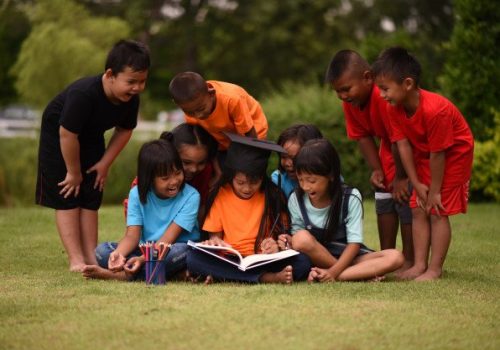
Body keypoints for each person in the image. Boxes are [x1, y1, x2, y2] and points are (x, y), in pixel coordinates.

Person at [35, 39, 150, 272]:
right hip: (60, 138)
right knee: (69, 192)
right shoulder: (84, 94)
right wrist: (73, 172)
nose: (137, 88)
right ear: (110, 75)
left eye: (142, 82)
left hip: (91, 136)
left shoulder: (130, 99)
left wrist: (104, 164)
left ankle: (91, 256)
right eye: (131, 82)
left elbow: (125, 130)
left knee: (91, 193)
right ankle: (76, 259)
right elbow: (67, 134)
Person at [372, 47, 474, 281]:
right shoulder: (393, 108)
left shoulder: (435, 111)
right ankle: (419, 265)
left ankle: (434, 269)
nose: (381, 94)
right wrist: (415, 183)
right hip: (426, 153)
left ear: (407, 83)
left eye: (385, 88)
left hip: (453, 154)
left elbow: (439, 153)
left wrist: (435, 192)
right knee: (418, 206)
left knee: (436, 209)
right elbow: (403, 145)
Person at [325, 50, 413, 272]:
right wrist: (377, 169)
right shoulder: (351, 103)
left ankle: (410, 259)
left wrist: (401, 177)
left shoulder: (383, 98)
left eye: (346, 89)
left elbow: (399, 140)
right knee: (383, 198)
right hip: (388, 149)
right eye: (338, 92)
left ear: (367, 78)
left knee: (404, 201)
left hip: (407, 151)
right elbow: (362, 137)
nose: (343, 96)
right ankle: (385, 256)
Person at [186, 133, 311, 284]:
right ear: (231, 176)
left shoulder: (272, 195)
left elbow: (282, 237)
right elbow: (215, 237)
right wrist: (214, 242)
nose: (247, 188)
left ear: (262, 178)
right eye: (240, 182)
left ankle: (226, 276)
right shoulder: (221, 194)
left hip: (263, 259)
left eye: (254, 182)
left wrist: (275, 245)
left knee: (303, 262)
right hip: (230, 259)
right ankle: (266, 278)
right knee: (193, 258)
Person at [278, 139, 404, 282]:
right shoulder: (296, 198)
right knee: (300, 238)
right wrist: (289, 240)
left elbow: (354, 243)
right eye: (301, 180)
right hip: (316, 257)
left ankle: (332, 275)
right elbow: (299, 238)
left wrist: (334, 272)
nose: (306, 186)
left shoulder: (350, 197)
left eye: (312, 181)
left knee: (396, 257)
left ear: (331, 176)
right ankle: (359, 275)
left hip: (350, 256)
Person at [82, 139, 201, 281]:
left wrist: (141, 259)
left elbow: (167, 241)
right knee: (103, 251)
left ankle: (123, 276)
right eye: (165, 178)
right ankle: (163, 273)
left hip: (171, 249)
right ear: (149, 179)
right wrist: (118, 255)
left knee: (182, 252)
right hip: (144, 251)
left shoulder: (191, 196)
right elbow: (132, 237)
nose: (174, 181)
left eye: (177, 173)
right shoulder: (136, 194)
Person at [168, 72, 269, 185]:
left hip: (251, 134)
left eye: (201, 109)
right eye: (190, 112)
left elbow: (249, 137)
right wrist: (218, 172)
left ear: (211, 94)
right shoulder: (192, 109)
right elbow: (208, 144)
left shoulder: (232, 99)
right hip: (223, 137)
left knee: (244, 174)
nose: (198, 116)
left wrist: (250, 165)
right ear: (178, 104)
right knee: (222, 175)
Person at [123, 123, 217, 223]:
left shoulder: (205, 173)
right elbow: (134, 211)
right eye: (186, 162)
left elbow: (203, 206)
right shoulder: (147, 180)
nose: (194, 169)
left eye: (201, 163)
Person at [271, 124, 323, 198]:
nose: (288, 163)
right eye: (283, 157)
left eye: (294, 158)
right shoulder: (279, 180)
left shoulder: (328, 179)